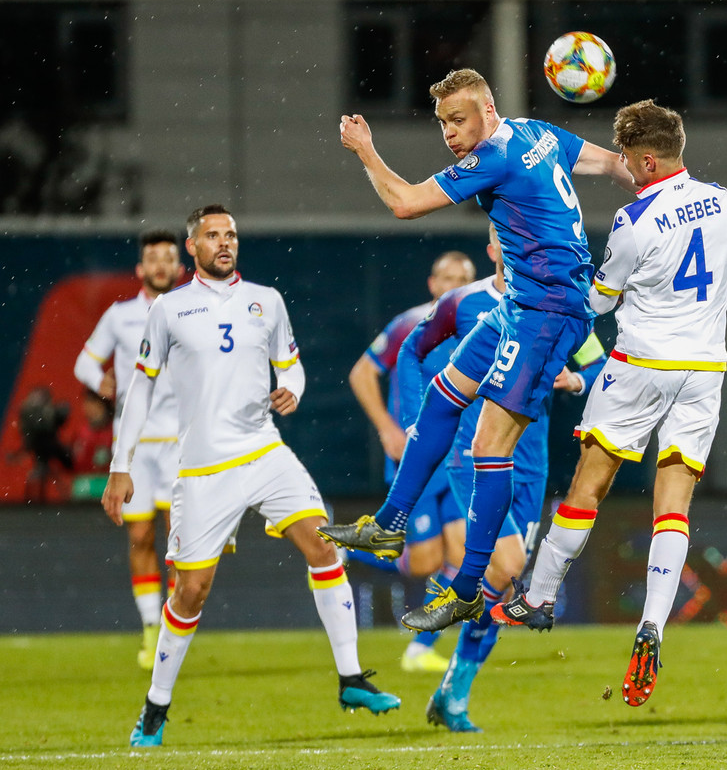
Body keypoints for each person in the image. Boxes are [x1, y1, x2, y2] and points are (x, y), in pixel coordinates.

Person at [491, 99, 727, 708]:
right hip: (704, 372)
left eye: (629, 160)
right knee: (673, 506)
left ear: (649, 160)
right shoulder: (724, 201)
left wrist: (555, 296)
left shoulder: (634, 222)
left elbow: (599, 303)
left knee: (587, 487)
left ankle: (540, 597)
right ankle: (653, 623)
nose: (626, 169)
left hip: (639, 368)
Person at [318, 68, 635, 632]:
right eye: (442, 123)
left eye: (458, 120)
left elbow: (405, 203)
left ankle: (466, 590)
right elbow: (611, 163)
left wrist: (365, 150)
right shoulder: (536, 132)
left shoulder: (494, 157)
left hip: (547, 315)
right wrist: (652, 180)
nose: (449, 133)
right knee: (442, 397)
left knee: (488, 445)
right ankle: (390, 524)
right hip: (519, 304)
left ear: (488, 111)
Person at [102, 205, 399, 748]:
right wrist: (121, 467)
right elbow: (140, 388)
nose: (224, 242)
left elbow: (291, 365)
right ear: (193, 247)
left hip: (265, 452)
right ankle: (156, 706)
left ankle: (352, 678)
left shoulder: (267, 301)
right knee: (191, 592)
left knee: (325, 545)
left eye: (231, 235)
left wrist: (294, 390)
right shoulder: (169, 309)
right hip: (203, 469)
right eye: (213, 235)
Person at [397, 223, 607, 731]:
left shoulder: (559, 305)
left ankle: (453, 692)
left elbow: (601, 365)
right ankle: (437, 633)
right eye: (507, 236)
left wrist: (576, 379)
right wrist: (414, 423)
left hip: (530, 467)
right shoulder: (465, 303)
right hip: (473, 458)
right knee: (508, 564)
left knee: (501, 583)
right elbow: (412, 351)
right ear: (494, 247)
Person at [348, 250, 475, 673]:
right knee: (423, 562)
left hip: (459, 459)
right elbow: (362, 373)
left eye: (463, 278)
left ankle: (421, 648)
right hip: (417, 459)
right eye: (447, 278)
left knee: (463, 555)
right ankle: (349, 554)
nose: (455, 285)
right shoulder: (410, 323)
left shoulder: (481, 326)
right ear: (432, 284)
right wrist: (387, 428)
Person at [74, 229, 184, 669]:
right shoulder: (120, 316)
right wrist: (97, 380)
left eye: (168, 258)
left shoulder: (192, 311)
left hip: (180, 441)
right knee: (140, 537)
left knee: (179, 542)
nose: (160, 265)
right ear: (140, 269)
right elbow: (85, 361)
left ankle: (174, 628)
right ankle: (151, 627)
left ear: (179, 267)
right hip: (134, 445)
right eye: (153, 258)